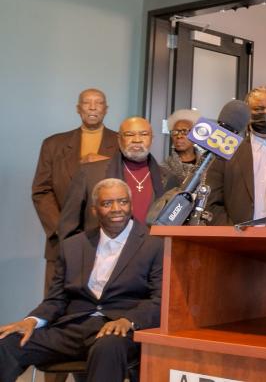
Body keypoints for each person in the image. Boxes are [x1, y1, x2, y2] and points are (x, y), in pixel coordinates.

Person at [0, 178, 163, 382]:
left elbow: (159, 299)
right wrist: (30, 321)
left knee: (108, 347)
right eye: (107, 203)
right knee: (7, 343)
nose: (116, 209)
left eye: (122, 202)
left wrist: (128, 320)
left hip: (118, 327)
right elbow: (56, 299)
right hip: (73, 327)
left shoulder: (154, 245)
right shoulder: (73, 246)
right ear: (94, 210)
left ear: (131, 205)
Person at [32, 88, 118, 292]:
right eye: (87, 103)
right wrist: (62, 228)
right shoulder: (53, 144)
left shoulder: (121, 142)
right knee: (56, 302)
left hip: (108, 238)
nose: (93, 107)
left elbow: (129, 181)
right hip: (61, 239)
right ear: (78, 109)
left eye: (98, 103)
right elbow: (41, 190)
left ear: (106, 109)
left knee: (102, 303)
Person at [206, 86, 266, 225]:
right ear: (247, 115)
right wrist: (232, 235)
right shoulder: (226, 151)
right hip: (233, 242)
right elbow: (212, 200)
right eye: (258, 109)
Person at [58, 117, 164, 240]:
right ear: (119, 139)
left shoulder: (168, 178)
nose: (137, 140)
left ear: (152, 139)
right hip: (99, 253)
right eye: (129, 134)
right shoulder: (89, 173)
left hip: (152, 253)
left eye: (144, 134)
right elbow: (68, 225)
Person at [160, 108, 202, 189]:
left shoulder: (206, 164)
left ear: (195, 135)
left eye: (184, 131)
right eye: (175, 132)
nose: (179, 136)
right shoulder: (164, 167)